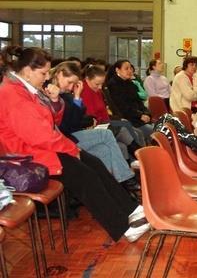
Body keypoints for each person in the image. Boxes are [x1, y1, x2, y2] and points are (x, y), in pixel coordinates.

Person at [0, 46, 149, 242]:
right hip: (29, 157)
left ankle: (132, 209)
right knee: (85, 178)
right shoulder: (13, 95)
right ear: (27, 71)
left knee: (94, 163)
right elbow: (41, 136)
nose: (46, 78)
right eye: (43, 73)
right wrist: (71, 148)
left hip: (41, 149)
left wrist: (54, 101)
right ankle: (122, 228)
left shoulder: (26, 90)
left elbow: (51, 121)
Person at [51, 62, 139, 191]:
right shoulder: (54, 95)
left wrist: (76, 98)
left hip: (74, 133)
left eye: (73, 84)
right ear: (59, 75)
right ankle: (126, 179)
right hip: (67, 138)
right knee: (108, 134)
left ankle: (114, 188)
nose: (71, 87)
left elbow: (75, 120)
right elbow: (67, 125)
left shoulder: (68, 95)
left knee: (105, 149)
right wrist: (74, 100)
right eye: (69, 82)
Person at [106, 60, 153, 143]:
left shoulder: (130, 83)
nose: (130, 71)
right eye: (126, 68)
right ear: (117, 70)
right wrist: (140, 115)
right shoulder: (113, 85)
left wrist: (146, 113)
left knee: (160, 129)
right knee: (152, 131)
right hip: (128, 118)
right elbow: (122, 107)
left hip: (138, 117)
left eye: (130, 68)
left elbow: (139, 101)